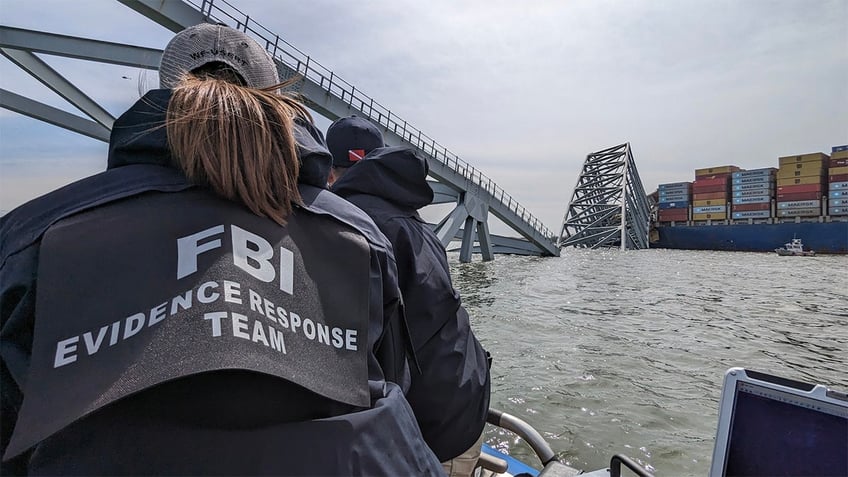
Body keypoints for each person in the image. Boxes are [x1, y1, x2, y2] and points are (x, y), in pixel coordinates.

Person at [0, 23, 443, 475]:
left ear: (166, 94)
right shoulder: (358, 235)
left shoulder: (36, 236)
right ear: (277, 101)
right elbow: (388, 382)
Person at [327, 116, 492, 477]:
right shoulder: (413, 222)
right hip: (467, 398)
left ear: (329, 172)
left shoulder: (343, 227)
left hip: (435, 430)